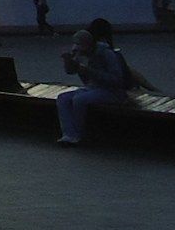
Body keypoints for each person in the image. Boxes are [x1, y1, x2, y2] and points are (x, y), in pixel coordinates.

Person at [55, 19, 146, 147]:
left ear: (88, 45)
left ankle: (78, 134)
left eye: (80, 46)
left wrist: (88, 70)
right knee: (62, 98)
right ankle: (68, 133)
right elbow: (70, 71)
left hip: (113, 92)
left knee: (79, 100)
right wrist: (68, 61)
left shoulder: (106, 54)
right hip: (93, 88)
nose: (77, 49)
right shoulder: (81, 54)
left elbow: (116, 80)